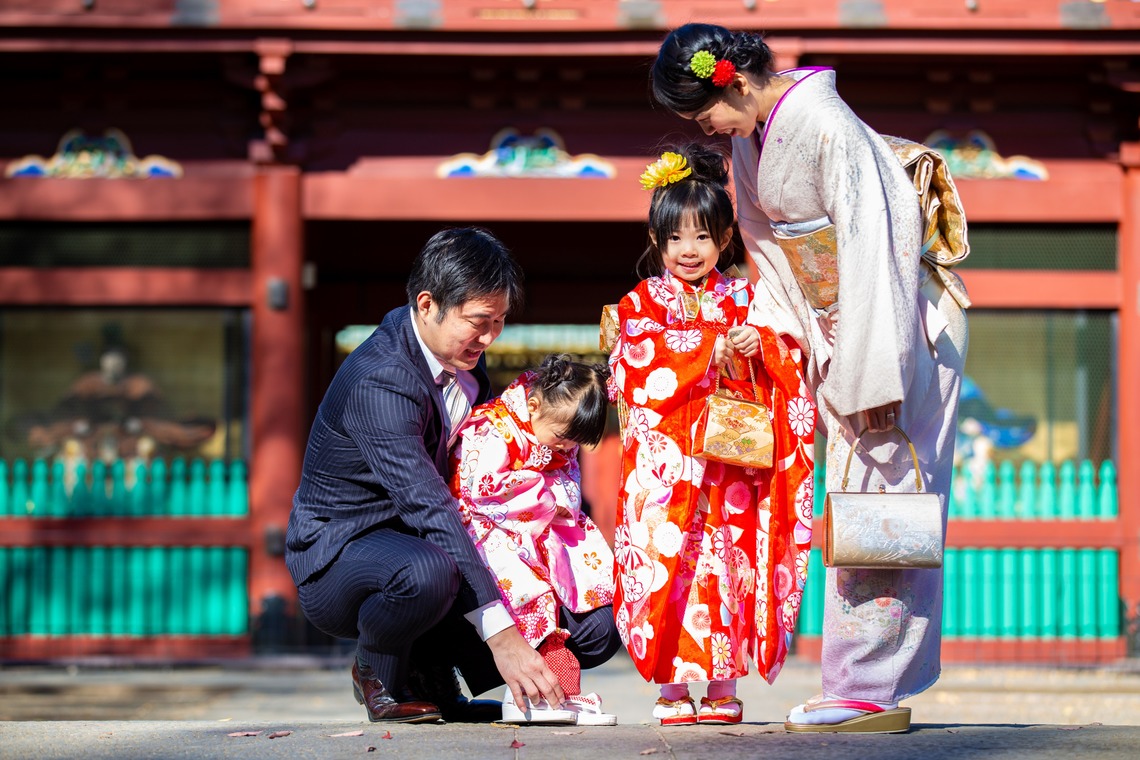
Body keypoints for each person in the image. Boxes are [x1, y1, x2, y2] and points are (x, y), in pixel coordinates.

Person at [651, 23, 970, 733]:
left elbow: (878, 246)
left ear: (734, 80)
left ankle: (869, 687)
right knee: (857, 502)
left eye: (704, 113)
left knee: (885, 497)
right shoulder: (749, 140)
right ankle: (859, 682)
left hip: (897, 329)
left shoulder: (826, 123)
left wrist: (876, 377)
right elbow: (769, 258)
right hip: (839, 331)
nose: (704, 129)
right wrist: (764, 328)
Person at [286, 228, 616, 725]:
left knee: (593, 626)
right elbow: (429, 506)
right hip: (345, 556)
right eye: (479, 322)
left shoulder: (467, 367)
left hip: (433, 540)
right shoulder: (380, 379)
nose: (489, 338)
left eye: (499, 322)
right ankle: (378, 672)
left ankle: (433, 680)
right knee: (430, 572)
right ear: (428, 304)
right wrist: (503, 638)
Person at [608, 143, 816, 726]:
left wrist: (759, 345)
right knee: (666, 568)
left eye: (702, 236)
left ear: (725, 239)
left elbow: (786, 356)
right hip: (666, 470)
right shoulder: (640, 303)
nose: (689, 250)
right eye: (675, 237)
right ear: (657, 240)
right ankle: (672, 689)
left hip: (728, 472)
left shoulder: (747, 299)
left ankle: (723, 687)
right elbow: (634, 368)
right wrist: (707, 348)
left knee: (726, 569)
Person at [449, 353, 621, 725]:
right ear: (533, 406)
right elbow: (482, 490)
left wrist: (550, 488)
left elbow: (569, 495)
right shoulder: (492, 426)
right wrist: (545, 489)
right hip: (488, 534)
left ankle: (552, 690)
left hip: (541, 535)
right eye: (562, 438)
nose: (566, 449)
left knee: (600, 610)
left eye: (574, 443)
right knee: (531, 590)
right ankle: (540, 694)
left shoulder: (555, 438)